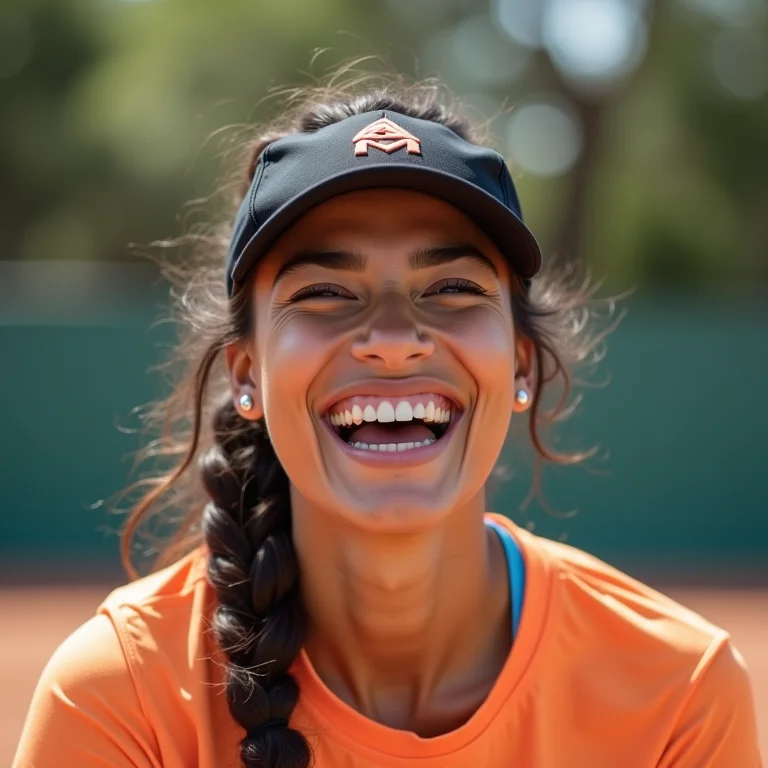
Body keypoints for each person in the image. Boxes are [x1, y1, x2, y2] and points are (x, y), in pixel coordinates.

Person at [14, 78, 762, 768]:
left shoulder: (678, 694)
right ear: (248, 376)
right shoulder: (120, 696)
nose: (395, 336)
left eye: (452, 287)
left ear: (524, 365)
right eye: (327, 293)